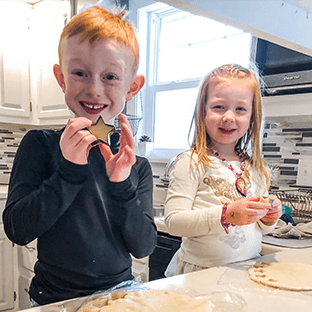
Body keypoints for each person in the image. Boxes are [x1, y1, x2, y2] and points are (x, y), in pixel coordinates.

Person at [2, 5, 157, 305]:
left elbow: (143, 246)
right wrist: (68, 171)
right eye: (80, 73)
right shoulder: (40, 145)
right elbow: (17, 230)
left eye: (110, 76)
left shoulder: (136, 166)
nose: (94, 89)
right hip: (54, 299)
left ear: (132, 87)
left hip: (119, 295)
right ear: (62, 79)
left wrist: (122, 184)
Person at [164, 64, 282, 276]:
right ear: (203, 111)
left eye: (240, 109)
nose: (229, 116)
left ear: (251, 116)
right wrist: (226, 215)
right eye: (219, 107)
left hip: (246, 271)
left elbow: (261, 229)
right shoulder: (191, 162)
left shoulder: (256, 168)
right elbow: (174, 222)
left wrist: (269, 218)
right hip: (199, 274)